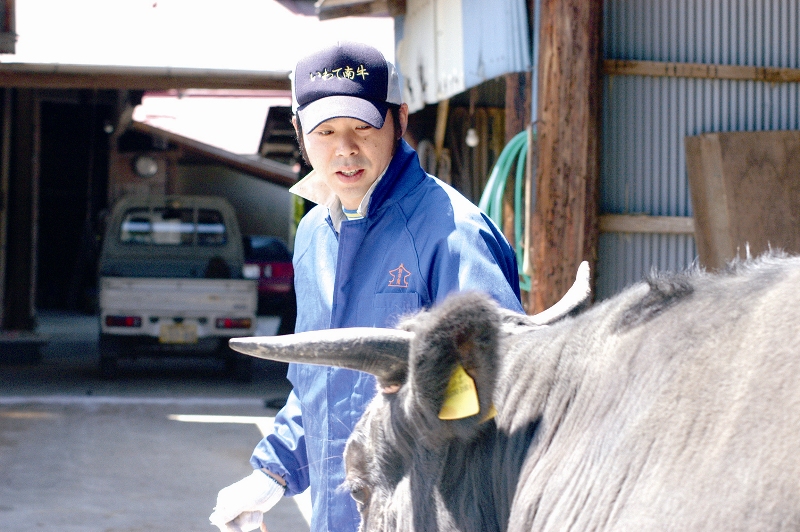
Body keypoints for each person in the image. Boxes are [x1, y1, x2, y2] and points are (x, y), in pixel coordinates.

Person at [210, 41, 524, 532]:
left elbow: (501, 379)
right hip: (339, 516)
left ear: (399, 120)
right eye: (325, 131)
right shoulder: (315, 233)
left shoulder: (452, 231)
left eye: (362, 127)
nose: (345, 149)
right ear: (298, 131)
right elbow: (322, 380)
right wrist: (272, 472)